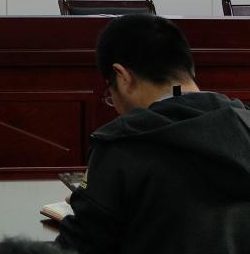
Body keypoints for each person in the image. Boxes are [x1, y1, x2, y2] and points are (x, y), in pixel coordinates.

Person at [56, 14, 250, 254]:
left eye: (110, 92)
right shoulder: (244, 123)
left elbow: (77, 247)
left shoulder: (122, 145)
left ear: (122, 77)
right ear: (187, 67)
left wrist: (91, 200)